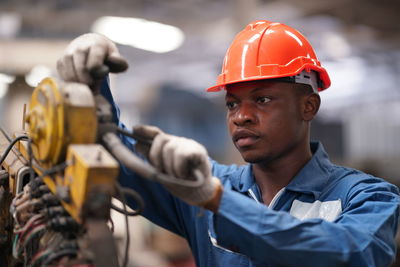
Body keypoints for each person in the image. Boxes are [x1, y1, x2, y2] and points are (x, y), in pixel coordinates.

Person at [57, 20, 400, 266]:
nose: (241, 116)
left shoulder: (369, 197)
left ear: (308, 106)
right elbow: (116, 159)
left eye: (262, 100)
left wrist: (218, 201)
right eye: (232, 104)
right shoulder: (202, 188)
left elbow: (348, 253)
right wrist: (93, 84)